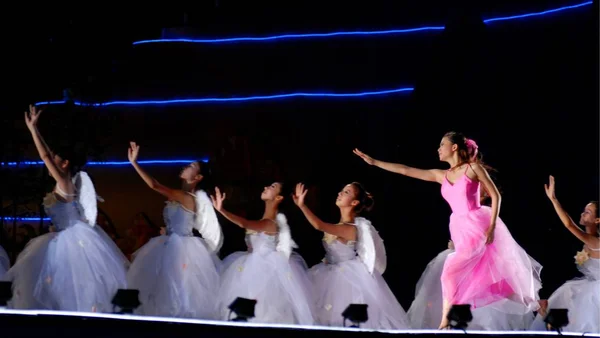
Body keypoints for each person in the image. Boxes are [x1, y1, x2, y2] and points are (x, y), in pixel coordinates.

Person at [354, 131, 542, 329]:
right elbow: (406, 170)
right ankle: (535, 302)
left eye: (441, 144)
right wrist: (375, 162)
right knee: (481, 278)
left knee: (450, 273)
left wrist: (492, 226)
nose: (438, 149)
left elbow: (496, 196)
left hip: (477, 223)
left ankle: (446, 321)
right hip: (459, 228)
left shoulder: (473, 168)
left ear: (454, 147)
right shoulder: (441, 175)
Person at [5, 105, 128, 312]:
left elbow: (45, 157)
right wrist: (36, 130)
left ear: (65, 164)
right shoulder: (62, 181)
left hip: (71, 240)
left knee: (70, 284)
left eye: (56, 159)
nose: (51, 161)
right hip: (59, 235)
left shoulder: (65, 182)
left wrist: (33, 130)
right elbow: (48, 155)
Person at [293, 182, 410, 329]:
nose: (340, 193)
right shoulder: (341, 225)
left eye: (346, 192)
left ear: (354, 202)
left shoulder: (350, 228)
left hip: (345, 278)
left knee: (341, 319)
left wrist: (302, 206)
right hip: (328, 271)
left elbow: (319, 225)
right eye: (341, 190)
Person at [126, 142, 222, 319]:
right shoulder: (180, 195)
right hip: (168, 243)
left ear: (198, 177)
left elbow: (154, 185)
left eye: (192, 166)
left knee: (176, 290)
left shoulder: (185, 196)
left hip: (180, 249)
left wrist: (134, 163)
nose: (186, 166)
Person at [213, 182, 314, 325]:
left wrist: (222, 210)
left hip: (264, 271)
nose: (266, 187)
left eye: (272, 187)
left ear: (278, 198)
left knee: (261, 311)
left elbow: (244, 223)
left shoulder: (270, 223)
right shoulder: (264, 221)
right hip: (251, 267)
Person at [530, 176, 599, 333]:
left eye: (588, 212)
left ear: (597, 220)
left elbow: (569, 224)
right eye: (584, 210)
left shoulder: (595, 241)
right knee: (565, 295)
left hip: (596, 290)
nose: (583, 214)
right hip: (588, 285)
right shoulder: (588, 243)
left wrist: (553, 200)